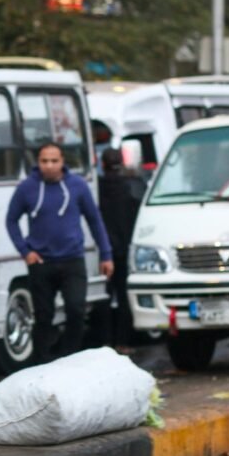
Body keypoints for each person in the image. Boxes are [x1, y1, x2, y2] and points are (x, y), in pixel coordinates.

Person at [5, 142, 114, 363]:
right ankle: (42, 362)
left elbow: (95, 220)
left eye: (54, 161)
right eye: (44, 161)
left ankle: (70, 358)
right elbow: (11, 220)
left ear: (63, 162)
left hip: (72, 259)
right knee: (43, 316)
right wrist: (25, 251)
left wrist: (106, 254)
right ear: (38, 163)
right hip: (41, 262)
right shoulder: (27, 187)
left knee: (76, 310)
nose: (49, 166)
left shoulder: (77, 185)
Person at [98, 147, 142, 353]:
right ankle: (123, 341)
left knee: (104, 297)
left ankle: (105, 341)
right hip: (125, 248)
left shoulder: (96, 188)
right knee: (124, 296)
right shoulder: (132, 186)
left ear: (102, 164)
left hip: (104, 251)